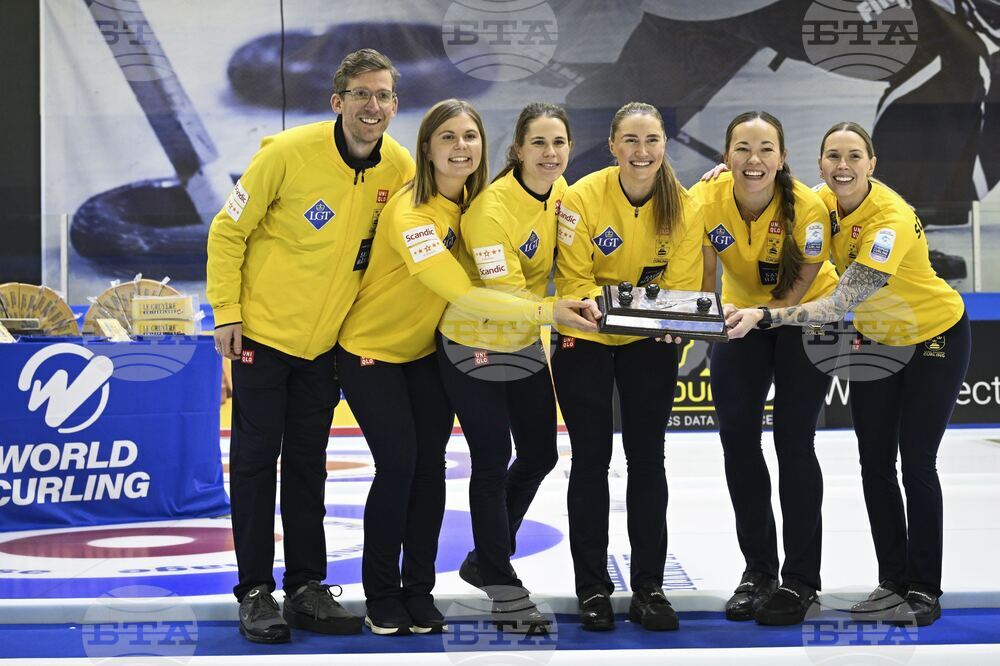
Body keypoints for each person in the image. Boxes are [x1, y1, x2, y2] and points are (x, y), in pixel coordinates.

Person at [335, 98, 600, 636]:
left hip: (432, 352)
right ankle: (391, 594)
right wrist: (550, 312)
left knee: (465, 464)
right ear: (427, 148)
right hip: (384, 349)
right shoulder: (417, 213)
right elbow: (464, 293)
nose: (461, 147)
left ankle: (425, 588)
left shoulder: (499, 195)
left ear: (487, 146)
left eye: (469, 136)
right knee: (407, 466)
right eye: (448, 137)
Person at [725, 122, 971, 627]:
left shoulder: (890, 220)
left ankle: (924, 588)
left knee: (916, 463)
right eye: (833, 156)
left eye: (854, 156)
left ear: (872, 163)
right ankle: (892, 582)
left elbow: (838, 302)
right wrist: (725, 174)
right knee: (874, 464)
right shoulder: (821, 201)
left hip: (933, 335)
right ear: (819, 164)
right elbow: (771, 185)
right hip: (878, 339)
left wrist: (767, 316)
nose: (843, 165)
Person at [206, 49, 415, 643]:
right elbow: (229, 229)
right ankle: (253, 592)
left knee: (307, 466)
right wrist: (226, 311)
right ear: (338, 101)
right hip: (263, 338)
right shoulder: (287, 155)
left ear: (394, 106)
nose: (372, 106)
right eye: (361, 95)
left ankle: (305, 587)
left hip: (327, 347)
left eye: (382, 96)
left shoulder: (396, 167)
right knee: (253, 464)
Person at [552, 102, 704, 632]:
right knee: (590, 461)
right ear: (614, 146)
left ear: (665, 146)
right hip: (586, 336)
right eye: (632, 141)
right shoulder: (581, 196)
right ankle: (591, 588)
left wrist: (652, 311)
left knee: (647, 459)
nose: (643, 152)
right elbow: (574, 283)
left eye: (653, 141)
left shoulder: (684, 207)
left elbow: (680, 292)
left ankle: (649, 589)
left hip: (648, 342)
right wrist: (636, 306)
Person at [691, 111, 839, 626]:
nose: (754, 160)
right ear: (726, 156)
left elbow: (797, 287)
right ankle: (758, 571)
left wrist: (762, 317)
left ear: (782, 157)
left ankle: (801, 578)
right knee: (737, 439)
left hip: (801, 319)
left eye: (765, 149)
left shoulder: (811, 206)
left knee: (794, 443)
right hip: (739, 318)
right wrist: (708, 321)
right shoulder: (704, 198)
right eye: (742, 149)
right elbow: (703, 277)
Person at [436, 103, 572, 632]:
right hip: (472, 343)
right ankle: (499, 579)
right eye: (538, 143)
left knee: (539, 452)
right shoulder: (490, 210)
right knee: (492, 459)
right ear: (516, 150)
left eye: (558, 143)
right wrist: (555, 313)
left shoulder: (561, 192)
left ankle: (485, 558)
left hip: (522, 340)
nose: (550, 153)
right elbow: (501, 293)